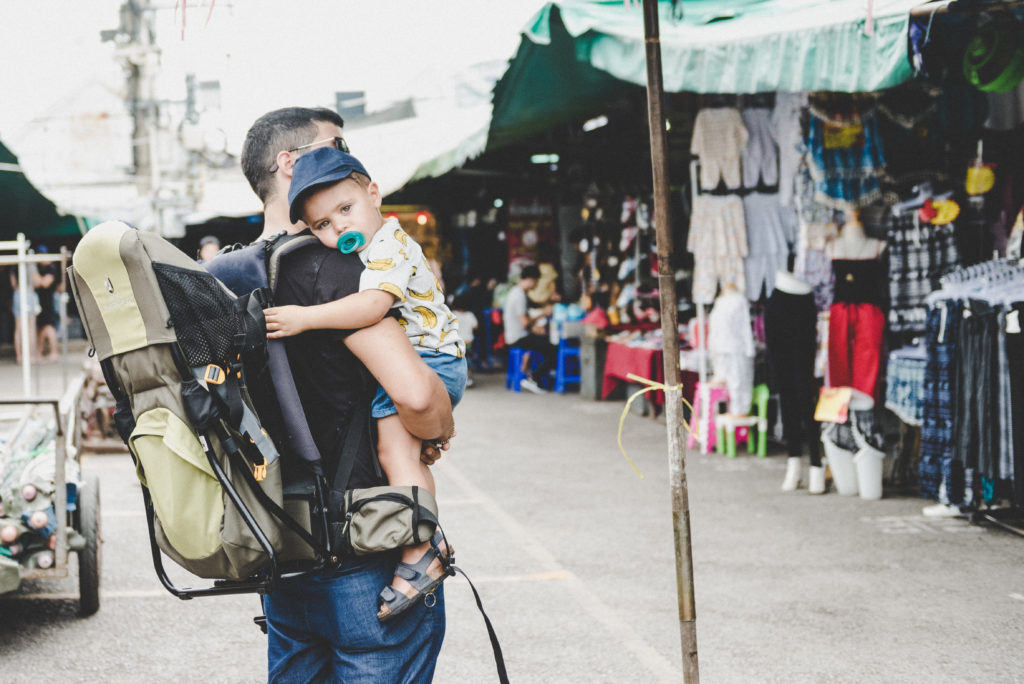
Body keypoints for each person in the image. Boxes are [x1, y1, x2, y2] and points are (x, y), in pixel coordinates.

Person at [230, 106, 454, 682]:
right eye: (334, 145)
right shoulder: (341, 271)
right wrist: (437, 430)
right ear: (291, 163)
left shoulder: (224, 278)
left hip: (281, 549)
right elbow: (417, 397)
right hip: (369, 549)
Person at [262, 146, 466, 623]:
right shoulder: (371, 248)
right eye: (321, 226)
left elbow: (372, 308)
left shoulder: (390, 245)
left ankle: (420, 553)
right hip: (424, 361)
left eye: (346, 210)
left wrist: (304, 318)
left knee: (397, 456)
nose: (339, 230)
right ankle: (428, 541)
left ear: (374, 194)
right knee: (403, 457)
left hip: (432, 359)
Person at [503, 264, 557, 393]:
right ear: (531, 279)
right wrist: (543, 313)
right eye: (536, 281)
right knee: (554, 347)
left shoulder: (515, 292)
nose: (536, 285)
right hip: (518, 338)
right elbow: (525, 323)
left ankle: (541, 377)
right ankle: (533, 378)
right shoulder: (519, 295)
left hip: (514, 335)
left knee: (545, 342)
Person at [9, 262, 41, 364]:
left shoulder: (14, 265)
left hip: (17, 294)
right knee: (31, 328)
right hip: (29, 293)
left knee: (18, 328)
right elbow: (36, 282)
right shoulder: (31, 264)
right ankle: (30, 356)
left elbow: (13, 284)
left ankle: (19, 356)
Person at [34, 246, 60, 363]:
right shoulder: (39, 267)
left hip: (48, 301)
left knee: (49, 327)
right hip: (39, 301)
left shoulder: (51, 267)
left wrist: (36, 276)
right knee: (40, 328)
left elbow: (44, 283)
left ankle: (54, 352)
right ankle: (38, 353)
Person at [451, 294, 478, 387]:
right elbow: (475, 326)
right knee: (468, 360)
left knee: (457, 359)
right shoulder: (470, 315)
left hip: (456, 342)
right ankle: (468, 378)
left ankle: (457, 379)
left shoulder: (452, 314)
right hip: (468, 341)